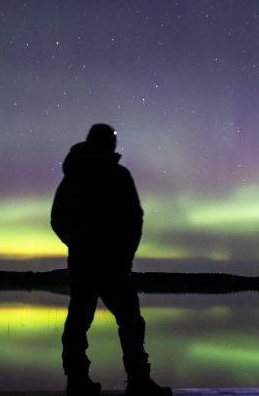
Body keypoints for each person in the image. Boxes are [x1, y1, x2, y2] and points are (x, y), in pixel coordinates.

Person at [51, 124, 171, 396]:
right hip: (98, 262)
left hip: (108, 262)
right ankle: (91, 380)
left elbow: (134, 218)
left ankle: (106, 380)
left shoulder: (108, 176)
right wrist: (85, 246)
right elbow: (59, 219)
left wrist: (123, 253)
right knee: (103, 321)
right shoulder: (91, 177)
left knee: (117, 321)